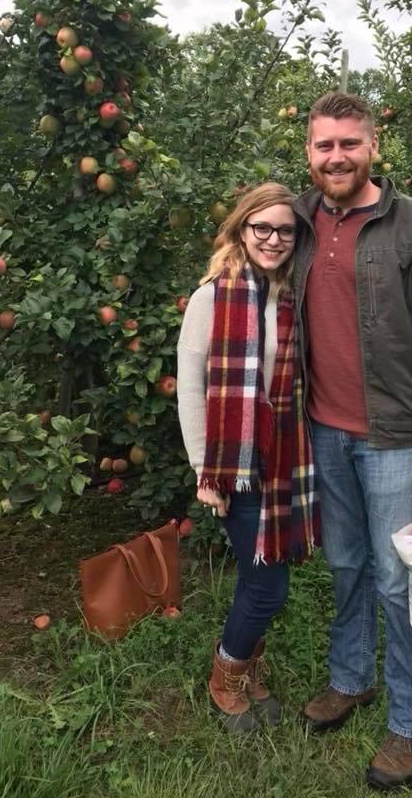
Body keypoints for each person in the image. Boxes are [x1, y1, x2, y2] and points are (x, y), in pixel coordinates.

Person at [292, 92, 412, 790]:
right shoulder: (301, 222)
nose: (335, 156)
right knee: (345, 564)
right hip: (323, 431)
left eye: (348, 144)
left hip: (397, 437)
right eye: (323, 145)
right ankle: (349, 678)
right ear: (309, 153)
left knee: (401, 581)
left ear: (372, 147)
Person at [177, 182, 320, 733]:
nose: (274, 238)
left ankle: (246, 667)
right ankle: (225, 674)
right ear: (241, 228)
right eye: (262, 227)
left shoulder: (292, 296)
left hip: (285, 457)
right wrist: (202, 471)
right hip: (233, 465)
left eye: (286, 229)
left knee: (263, 577)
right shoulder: (212, 297)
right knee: (266, 586)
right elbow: (191, 388)